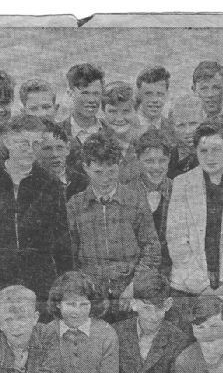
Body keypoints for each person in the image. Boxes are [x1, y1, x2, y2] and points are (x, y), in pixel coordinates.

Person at [0, 114, 73, 324]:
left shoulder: (49, 183)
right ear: (7, 142)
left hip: (40, 278)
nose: (29, 149)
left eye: (35, 144)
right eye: (22, 143)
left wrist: (64, 286)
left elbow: (62, 240)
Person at [166, 120, 223, 325]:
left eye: (217, 149)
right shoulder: (182, 184)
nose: (210, 157)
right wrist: (203, 287)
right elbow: (177, 241)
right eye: (204, 150)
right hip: (188, 288)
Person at [66, 132, 161, 322]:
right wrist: (83, 290)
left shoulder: (135, 200)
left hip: (129, 291)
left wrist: (135, 286)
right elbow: (70, 254)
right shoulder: (75, 205)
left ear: (119, 166)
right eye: (98, 172)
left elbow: (151, 248)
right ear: (86, 168)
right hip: (91, 295)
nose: (105, 179)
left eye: (111, 171)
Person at [134, 129, 174, 275]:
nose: (156, 167)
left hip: (172, 270)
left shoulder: (178, 190)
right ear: (138, 160)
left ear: (169, 159)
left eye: (162, 160)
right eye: (149, 161)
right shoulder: (127, 192)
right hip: (137, 272)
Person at [58, 63, 109, 176]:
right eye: (84, 93)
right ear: (70, 94)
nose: (91, 100)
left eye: (96, 93)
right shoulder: (58, 134)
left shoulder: (111, 132)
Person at [37, 120, 88, 201]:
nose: (55, 154)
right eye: (47, 148)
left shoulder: (82, 182)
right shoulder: (30, 184)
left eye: (60, 147)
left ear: (67, 148)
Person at [167, 94, 206, 179]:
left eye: (193, 124)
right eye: (181, 125)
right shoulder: (167, 155)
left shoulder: (210, 156)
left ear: (204, 122)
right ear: (172, 127)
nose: (188, 131)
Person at [101, 81, 138, 160]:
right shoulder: (96, 144)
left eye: (126, 111)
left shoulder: (143, 141)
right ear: (103, 111)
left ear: (135, 111)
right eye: (112, 111)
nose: (119, 119)